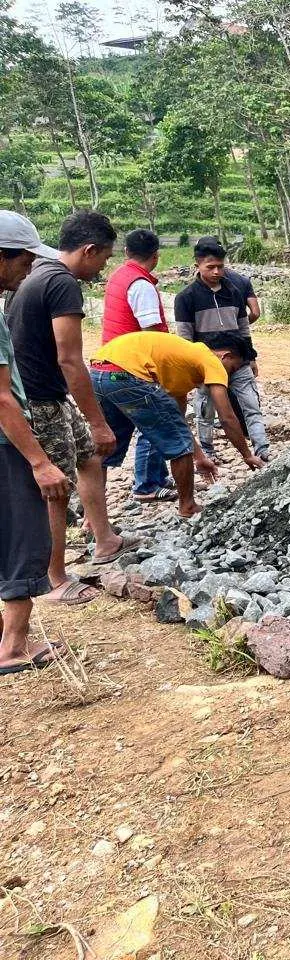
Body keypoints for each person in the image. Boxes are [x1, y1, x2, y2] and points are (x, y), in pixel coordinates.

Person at [6, 210, 132, 605]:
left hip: (48, 395)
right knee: (54, 487)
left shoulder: (36, 274)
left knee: (89, 459)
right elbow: (70, 359)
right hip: (40, 400)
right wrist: (98, 420)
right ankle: (53, 578)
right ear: (90, 250)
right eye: (105, 257)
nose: (103, 266)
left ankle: (104, 538)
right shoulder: (62, 282)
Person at [90, 331, 264, 517]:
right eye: (233, 369)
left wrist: (199, 457)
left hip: (99, 371)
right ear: (226, 356)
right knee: (179, 448)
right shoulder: (211, 360)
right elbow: (227, 417)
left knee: (106, 447)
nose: (228, 375)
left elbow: (177, 423)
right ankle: (188, 506)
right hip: (127, 373)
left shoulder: (181, 365)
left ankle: (92, 519)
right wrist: (247, 455)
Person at [0, 213, 70, 673]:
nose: (29, 268)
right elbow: (2, 399)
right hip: (6, 443)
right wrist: (40, 462)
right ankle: (14, 648)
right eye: (24, 259)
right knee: (26, 537)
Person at [175, 237, 270, 461]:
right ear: (197, 264)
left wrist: (251, 356)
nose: (217, 272)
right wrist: (194, 370)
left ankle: (262, 447)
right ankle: (208, 451)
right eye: (211, 267)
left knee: (251, 405)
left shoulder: (234, 291)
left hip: (239, 361)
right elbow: (185, 339)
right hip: (207, 366)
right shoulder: (186, 298)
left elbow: (244, 328)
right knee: (205, 410)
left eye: (220, 266)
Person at [100, 228, 173, 502]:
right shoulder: (141, 285)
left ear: (126, 252)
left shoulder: (118, 276)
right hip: (132, 368)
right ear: (156, 256)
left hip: (109, 365)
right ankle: (147, 485)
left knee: (114, 432)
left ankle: (94, 502)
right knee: (154, 421)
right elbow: (152, 333)